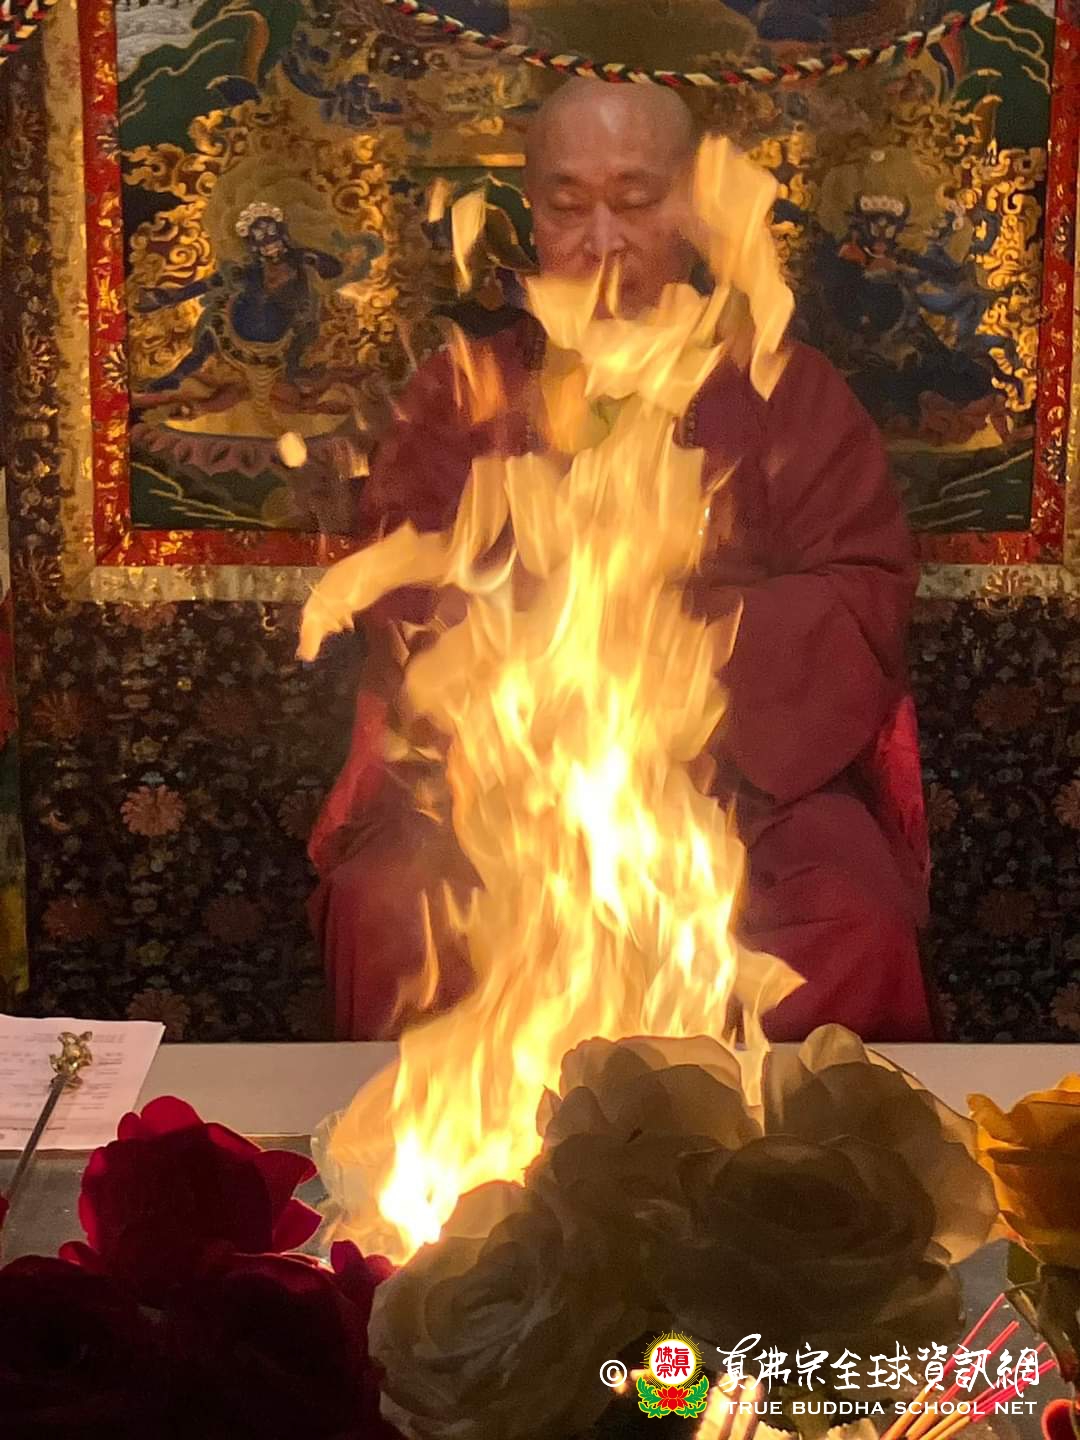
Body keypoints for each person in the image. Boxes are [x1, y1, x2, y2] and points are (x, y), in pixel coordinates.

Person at [307, 78, 935, 1044]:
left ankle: (786, 1155)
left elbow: (860, 592)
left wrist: (668, 654)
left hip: (740, 793)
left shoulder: (786, 390)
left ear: (691, 209)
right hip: (502, 795)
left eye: (635, 202)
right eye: (568, 206)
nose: (602, 242)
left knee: (852, 927)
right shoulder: (460, 392)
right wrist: (542, 661)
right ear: (530, 213)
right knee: (385, 915)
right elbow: (401, 594)